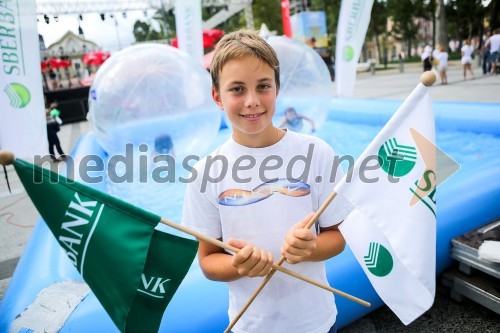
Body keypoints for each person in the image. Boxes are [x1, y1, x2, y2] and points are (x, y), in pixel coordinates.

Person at [182, 30, 351, 333]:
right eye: (237, 89)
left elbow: (337, 237)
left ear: (277, 88)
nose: (252, 101)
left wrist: (310, 249)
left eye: (263, 86)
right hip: (250, 325)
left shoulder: (316, 153)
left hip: (316, 321)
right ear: (217, 96)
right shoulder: (205, 174)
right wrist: (237, 265)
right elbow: (208, 261)